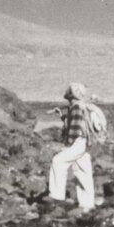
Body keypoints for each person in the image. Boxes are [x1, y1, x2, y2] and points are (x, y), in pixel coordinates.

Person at [46, 81, 96, 213]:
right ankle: (87, 205)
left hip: (77, 143)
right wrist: (61, 115)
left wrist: (68, 145)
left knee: (58, 161)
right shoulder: (81, 106)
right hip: (83, 143)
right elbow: (74, 123)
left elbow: (74, 128)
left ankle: (56, 196)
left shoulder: (76, 108)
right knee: (82, 171)